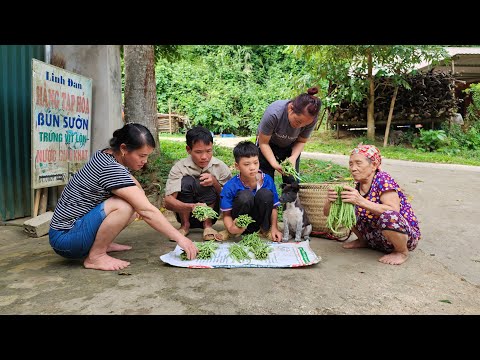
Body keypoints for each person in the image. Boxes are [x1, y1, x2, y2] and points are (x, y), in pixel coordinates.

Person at [48, 123, 198, 271]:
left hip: (71, 232)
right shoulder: (110, 168)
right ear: (124, 148)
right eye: (141, 156)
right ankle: (96, 255)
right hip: (66, 240)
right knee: (124, 206)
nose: (144, 161)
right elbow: (147, 211)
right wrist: (181, 239)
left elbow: (133, 184)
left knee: (134, 203)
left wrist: (141, 201)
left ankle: (102, 244)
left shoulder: (107, 155)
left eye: (147, 156)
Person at [323, 144, 421, 265]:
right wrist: (329, 200)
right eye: (351, 164)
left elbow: (393, 211)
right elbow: (327, 214)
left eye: (358, 163)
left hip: (404, 237)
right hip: (376, 237)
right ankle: (363, 241)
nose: (353, 168)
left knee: (388, 217)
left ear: (374, 165)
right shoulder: (357, 186)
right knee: (347, 208)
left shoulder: (383, 180)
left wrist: (360, 201)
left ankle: (401, 252)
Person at [164, 126, 232, 241]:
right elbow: (168, 203)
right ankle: (185, 226)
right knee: (187, 181)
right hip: (186, 213)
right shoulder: (179, 168)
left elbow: (230, 198)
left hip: (212, 213)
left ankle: (208, 226)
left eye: (208, 151)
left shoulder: (220, 167)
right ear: (188, 150)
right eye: (198, 152)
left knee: (208, 180)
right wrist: (192, 207)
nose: (204, 157)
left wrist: (215, 182)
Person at [214, 141, 283, 242]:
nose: (252, 168)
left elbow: (273, 208)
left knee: (265, 194)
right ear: (237, 166)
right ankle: (233, 232)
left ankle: (265, 229)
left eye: (256, 163)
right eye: (246, 164)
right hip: (240, 225)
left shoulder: (267, 180)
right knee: (245, 196)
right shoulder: (230, 186)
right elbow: (227, 214)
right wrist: (230, 228)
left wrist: (274, 227)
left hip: (260, 220)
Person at [256, 87, 321, 184]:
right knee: (265, 182)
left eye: (305, 124)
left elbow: (301, 141)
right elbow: (263, 143)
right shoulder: (274, 114)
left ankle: (290, 199)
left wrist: (293, 158)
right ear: (291, 108)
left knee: (292, 182)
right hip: (267, 144)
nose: (300, 126)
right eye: (298, 121)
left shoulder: (311, 119)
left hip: (290, 146)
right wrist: (274, 164)